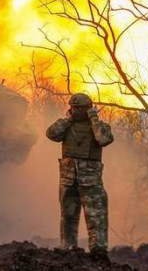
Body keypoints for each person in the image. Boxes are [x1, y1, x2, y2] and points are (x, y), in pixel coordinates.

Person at [46, 92, 113, 256]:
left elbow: (103, 139)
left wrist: (94, 119)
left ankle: (98, 249)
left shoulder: (100, 127)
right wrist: (68, 120)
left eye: (80, 108)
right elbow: (51, 134)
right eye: (73, 108)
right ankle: (68, 245)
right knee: (68, 213)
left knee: (96, 215)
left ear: (88, 109)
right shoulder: (65, 125)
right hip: (68, 178)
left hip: (91, 180)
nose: (76, 111)